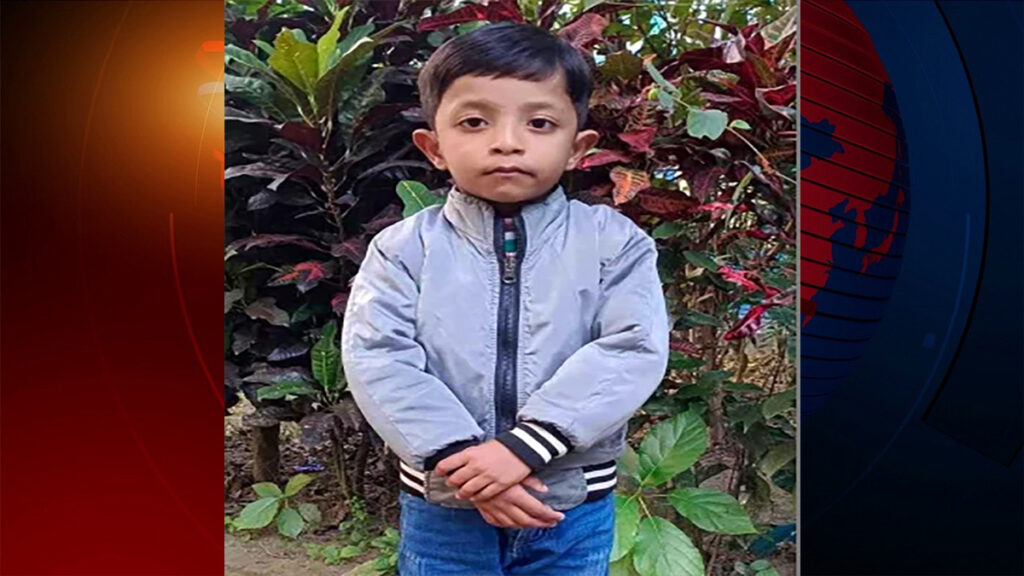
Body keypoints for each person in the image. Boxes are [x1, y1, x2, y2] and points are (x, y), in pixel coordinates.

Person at [341, 21, 669, 575]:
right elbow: (378, 357)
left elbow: (631, 348)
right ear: (434, 147)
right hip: (444, 505)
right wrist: (463, 462)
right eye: (474, 122)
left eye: (540, 123)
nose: (507, 141)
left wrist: (522, 449)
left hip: (569, 503)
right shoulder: (403, 249)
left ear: (578, 147)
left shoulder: (614, 243)